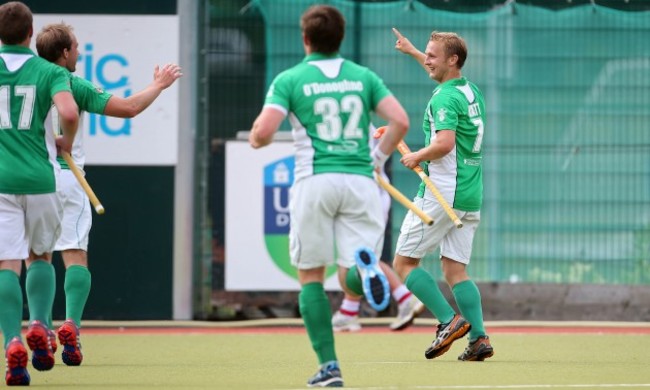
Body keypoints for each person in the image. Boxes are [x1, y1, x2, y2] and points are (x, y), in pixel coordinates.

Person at [249, 5, 408, 387]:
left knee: (311, 278)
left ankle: (329, 367)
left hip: (315, 181)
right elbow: (399, 120)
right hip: (360, 182)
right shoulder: (363, 77)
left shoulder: (291, 79)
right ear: (340, 38)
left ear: (306, 39)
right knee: (351, 267)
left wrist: (257, 138)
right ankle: (364, 270)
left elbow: (265, 131)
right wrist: (377, 157)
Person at [33, 22, 182, 367]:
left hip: (33, 181)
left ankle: (40, 327)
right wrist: (159, 85)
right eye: (77, 47)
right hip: (69, 180)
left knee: (37, 256)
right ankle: (72, 326)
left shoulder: (27, 79)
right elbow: (129, 108)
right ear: (66, 52)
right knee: (74, 255)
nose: (81, 53)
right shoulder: (73, 83)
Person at [390, 27, 494, 362]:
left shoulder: (445, 98)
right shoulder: (467, 89)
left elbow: (444, 143)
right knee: (454, 271)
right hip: (469, 193)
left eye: (432, 55)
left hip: (441, 193)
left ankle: (449, 321)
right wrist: (412, 52)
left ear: (452, 60)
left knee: (404, 263)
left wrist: (416, 156)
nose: (427, 60)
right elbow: (438, 72)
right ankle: (478, 339)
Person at [0, 1, 79, 385]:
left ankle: (12, 342)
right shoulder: (49, 71)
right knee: (41, 256)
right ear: (31, 34)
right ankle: (39, 327)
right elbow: (68, 112)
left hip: (1, 183)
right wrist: (67, 141)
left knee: (6, 264)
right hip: (41, 179)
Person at [332, 134, 424, 332]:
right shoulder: (362, 119)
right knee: (363, 256)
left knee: (360, 257)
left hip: (359, 194)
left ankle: (404, 298)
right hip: (377, 192)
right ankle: (349, 312)